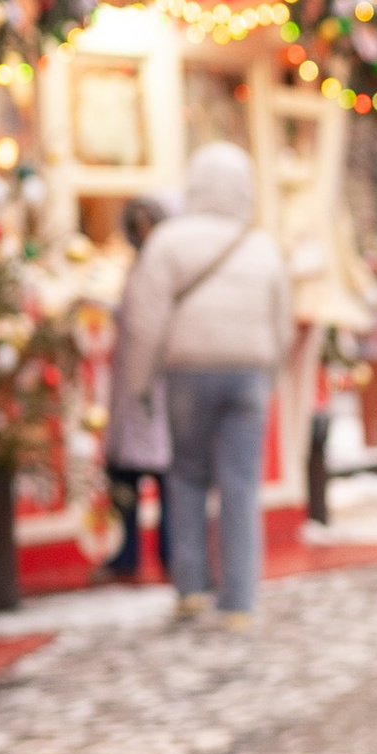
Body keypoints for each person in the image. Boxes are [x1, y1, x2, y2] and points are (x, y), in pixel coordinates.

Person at [119, 140, 288, 624]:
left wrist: (137, 385)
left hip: (188, 373)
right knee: (240, 486)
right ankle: (239, 601)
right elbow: (280, 324)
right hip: (248, 375)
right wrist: (268, 377)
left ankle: (191, 589)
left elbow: (143, 321)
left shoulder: (167, 242)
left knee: (188, 476)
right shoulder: (262, 246)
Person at [102, 190, 172, 584]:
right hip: (134, 387)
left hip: (152, 385)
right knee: (125, 475)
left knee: (164, 476)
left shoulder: (163, 268)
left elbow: (149, 322)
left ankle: (168, 551)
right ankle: (125, 553)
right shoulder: (139, 266)